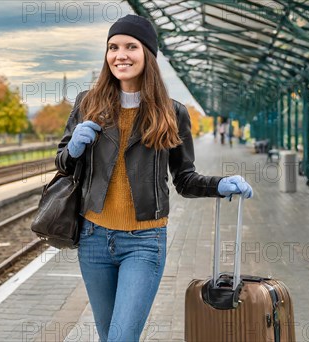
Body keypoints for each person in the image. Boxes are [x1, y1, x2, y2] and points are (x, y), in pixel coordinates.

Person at [55, 14, 253, 342]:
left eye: (131, 46)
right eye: (113, 47)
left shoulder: (172, 112)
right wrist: (74, 146)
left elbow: (185, 178)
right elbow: (62, 162)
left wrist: (218, 184)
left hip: (144, 242)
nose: (121, 55)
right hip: (93, 240)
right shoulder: (87, 104)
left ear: (148, 53)